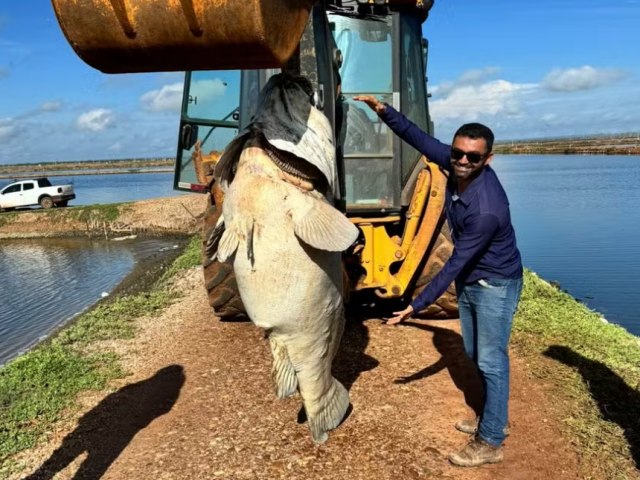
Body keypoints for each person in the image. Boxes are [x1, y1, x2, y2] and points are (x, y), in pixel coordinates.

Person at [355, 95, 523, 467]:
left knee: (492, 360)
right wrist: (383, 111)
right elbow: (417, 138)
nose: (463, 161)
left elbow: (451, 266)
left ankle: (492, 440)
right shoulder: (455, 164)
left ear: (488, 160)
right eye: (458, 153)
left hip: (495, 284)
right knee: (474, 354)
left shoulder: (486, 209)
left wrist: (413, 306)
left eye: (473, 157)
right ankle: (494, 418)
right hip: (472, 280)